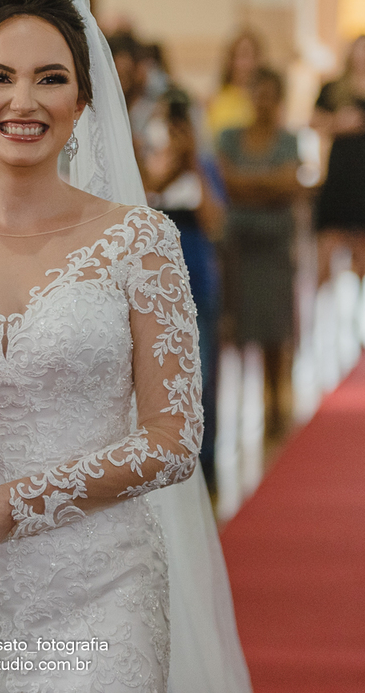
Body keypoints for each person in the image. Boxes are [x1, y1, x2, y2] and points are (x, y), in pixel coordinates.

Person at [0, 0, 250, 693]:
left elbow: (174, 437)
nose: (22, 101)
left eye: (49, 78)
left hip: (97, 581)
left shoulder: (141, 241)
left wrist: (25, 502)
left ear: (81, 99)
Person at [142, 86, 224, 489]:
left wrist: (191, 160)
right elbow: (145, 200)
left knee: (202, 373)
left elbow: (216, 221)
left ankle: (206, 462)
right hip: (151, 282)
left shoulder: (203, 165)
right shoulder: (141, 162)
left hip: (197, 278)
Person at [218, 67, 305, 438]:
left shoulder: (288, 140)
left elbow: (287, 184)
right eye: (259, 94)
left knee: (275, 329)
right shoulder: (229, 137)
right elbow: (227, 182)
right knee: (235, 325)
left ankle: (276, 407)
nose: (264, 102)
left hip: (273, 245)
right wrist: (264, 187)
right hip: (238, 246)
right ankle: (233, 416)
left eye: (272, 95)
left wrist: (248, 184)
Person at [311, 34, 365, 288]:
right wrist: (338, 124)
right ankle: (323, 303)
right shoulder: (334, 88)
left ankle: (358, 307)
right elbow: (314, 122)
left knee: (362, 241)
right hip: (340, 170)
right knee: (329, 237)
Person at [206, 30, 262, 138]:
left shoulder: (263, 101)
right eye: (241, 56)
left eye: (251, 56)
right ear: (230, 61)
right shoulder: (216, 99)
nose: (245, 64)